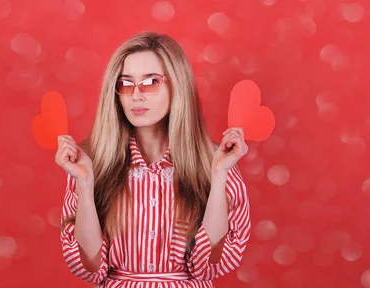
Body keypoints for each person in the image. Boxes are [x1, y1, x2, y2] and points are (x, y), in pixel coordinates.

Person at [54, 32, 251, 287]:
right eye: (126, 83)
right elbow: (90, 268)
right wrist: (83, 182)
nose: (136, 95)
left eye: (150, 82)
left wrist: (219, 175)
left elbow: (209, 266)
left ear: (177, 85)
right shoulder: (92, 165)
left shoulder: (216, 163)